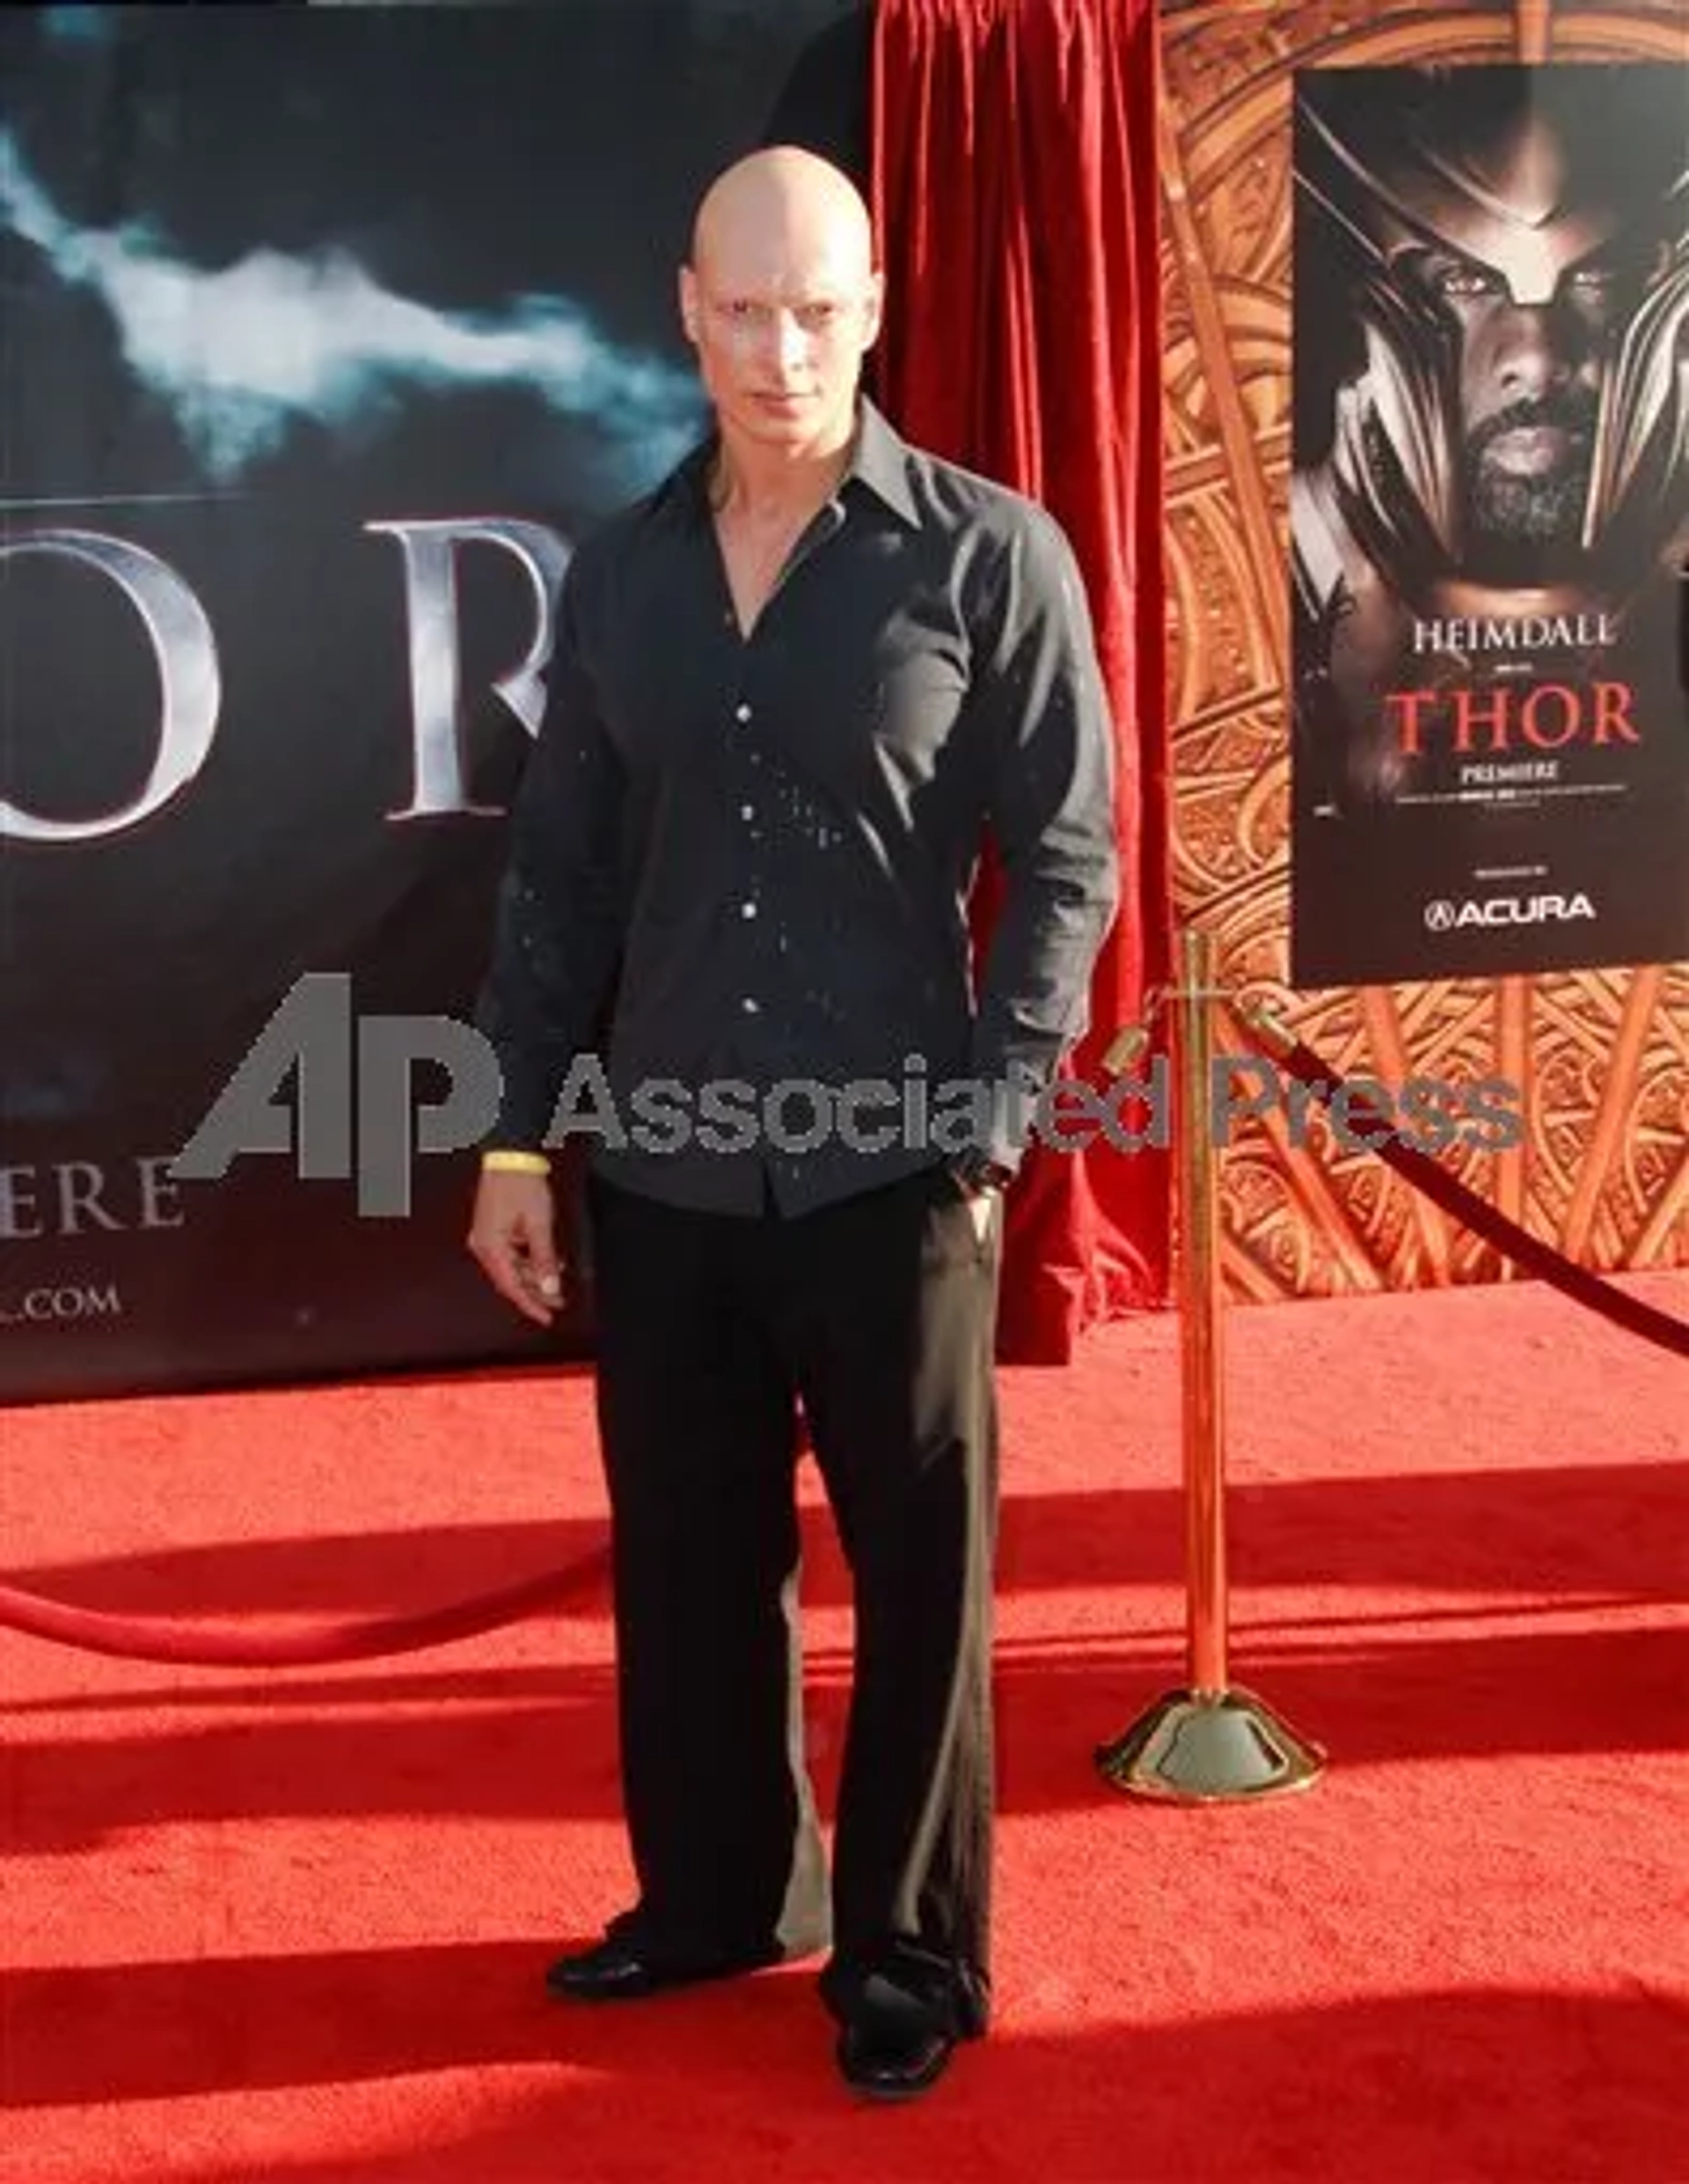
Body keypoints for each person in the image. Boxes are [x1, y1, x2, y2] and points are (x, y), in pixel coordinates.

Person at [467, 144, 1118, 2101]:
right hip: (661, 1164)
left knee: (923, 1575)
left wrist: (990, 1128)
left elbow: (1071, 861)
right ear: (685, 307)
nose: (778, 348)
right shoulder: (623, 571)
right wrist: (517, 1135)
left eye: (815, 306)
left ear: (874, 309)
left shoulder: (989, 554)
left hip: (895, 1165)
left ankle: (913, 1953)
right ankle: (724, 1898)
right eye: (742, 307)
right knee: (682, 1558)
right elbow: (561, 876)